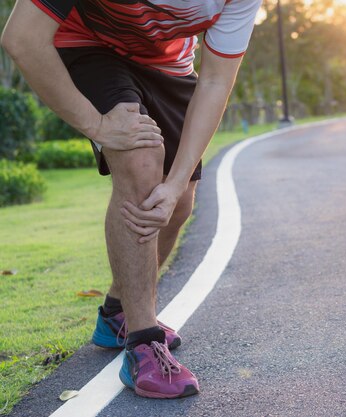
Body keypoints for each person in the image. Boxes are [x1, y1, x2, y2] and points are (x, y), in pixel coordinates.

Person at [2, 0, 262, 399]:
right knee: (142, 162)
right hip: (86, 42)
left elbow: (214, 82)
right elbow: (22, 38)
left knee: (176, 206)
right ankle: (144, 341)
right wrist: (98, 126)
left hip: (167, 65)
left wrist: (176, 184)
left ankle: (115, 313)